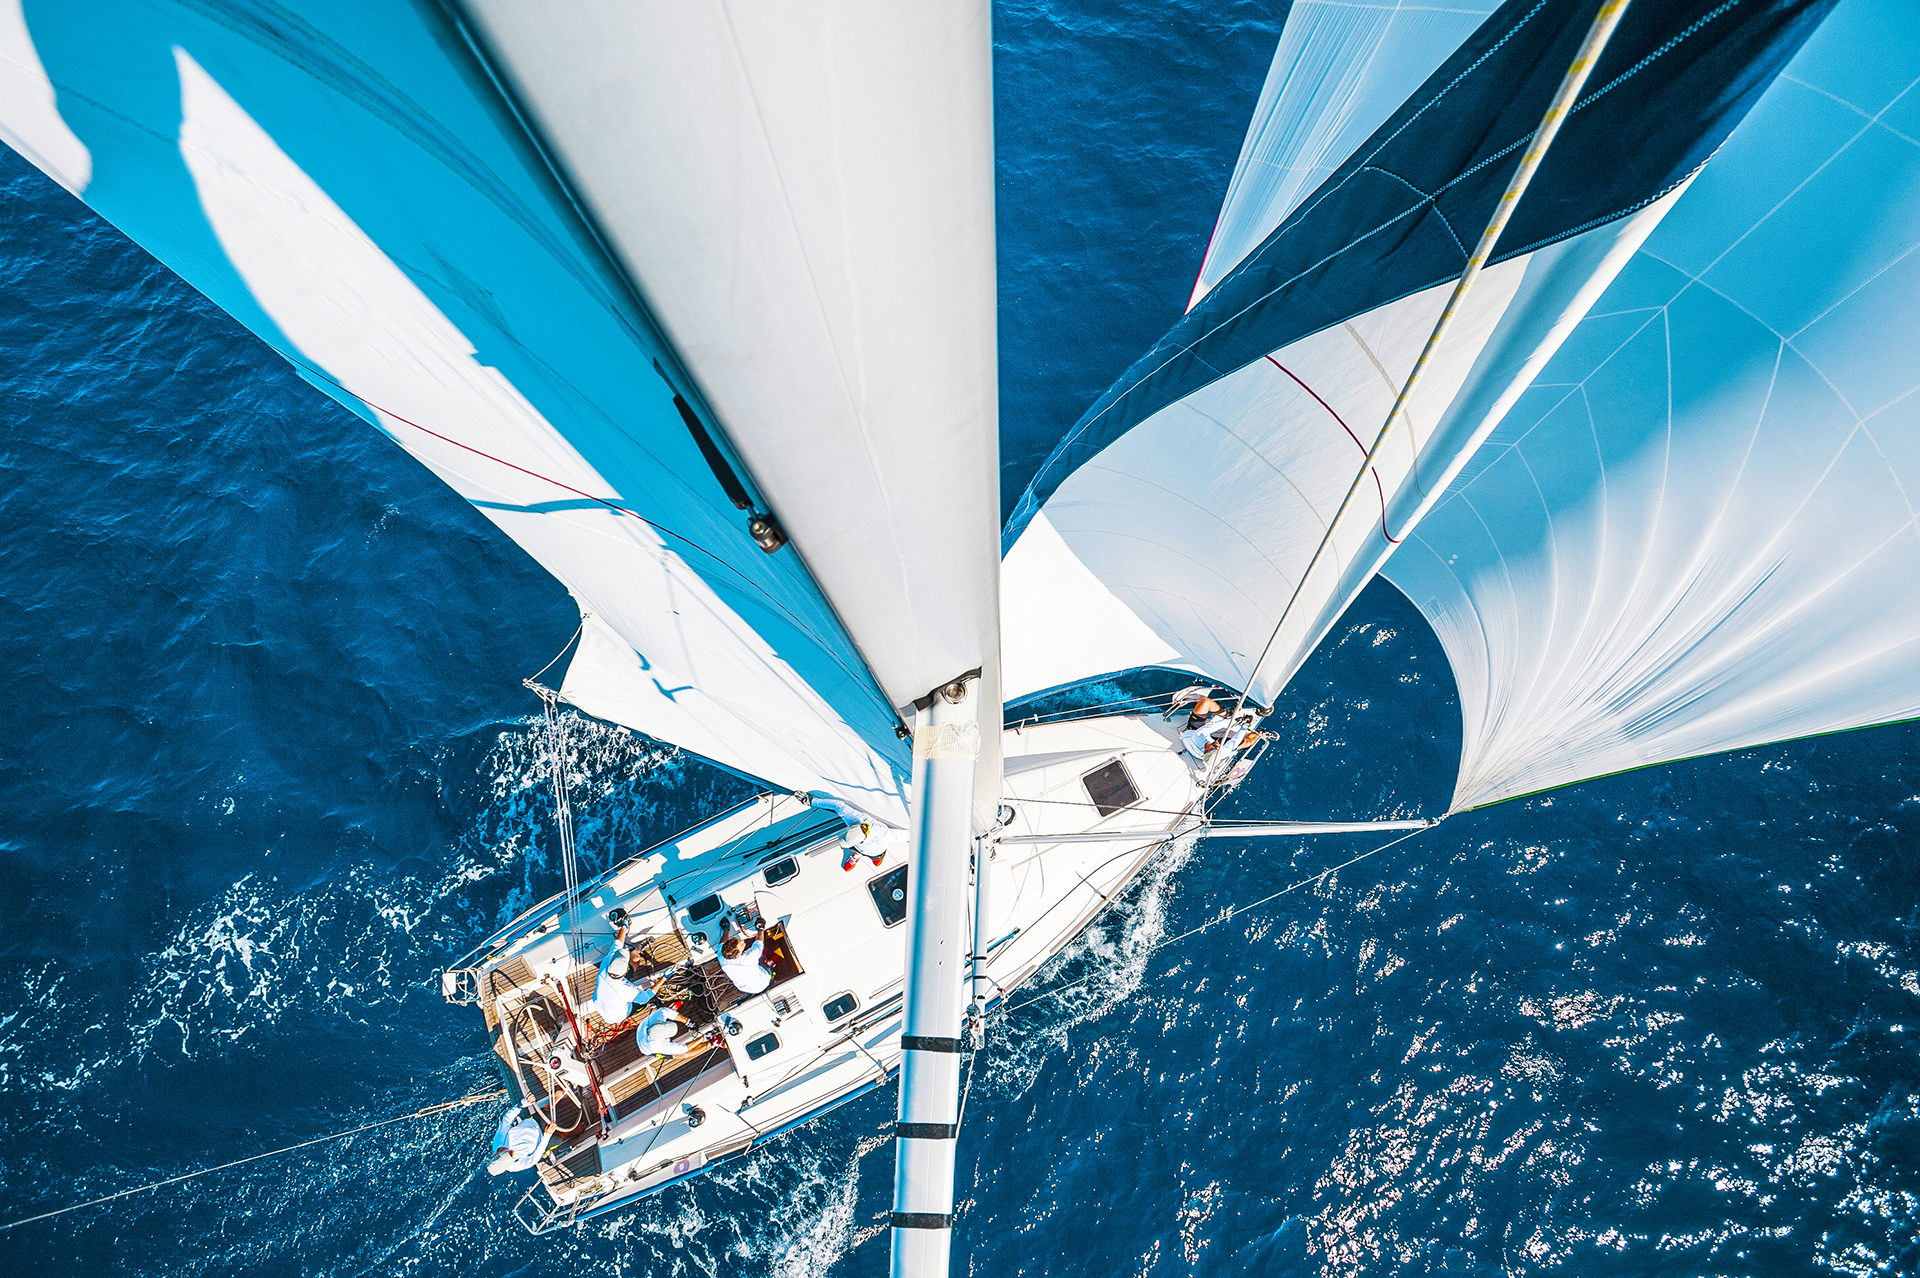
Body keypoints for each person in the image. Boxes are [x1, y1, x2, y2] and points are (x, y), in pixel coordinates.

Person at [793, 791, 903, 872]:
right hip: (876, 851)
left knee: (876, 862)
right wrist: (811, 801)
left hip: (864, 848)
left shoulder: (853, 819)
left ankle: (857, 854)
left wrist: (811, 801)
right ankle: (858, 854)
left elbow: (837, 805)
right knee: (878, 862)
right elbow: (911, 837)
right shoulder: (885, 834)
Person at [587, 942, 655, 1024]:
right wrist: (665, 977)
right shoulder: (627, 990)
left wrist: (623, 928)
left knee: (635, 958)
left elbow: (616, 945)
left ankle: (637, 950)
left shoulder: (605, 967)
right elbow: (645, 998)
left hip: (603, 1003)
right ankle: (651, 1004)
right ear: (626, 971)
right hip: (618, 1016)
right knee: (643, 1004)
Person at [486, 1101, 553, 1176]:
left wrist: (523, 1103)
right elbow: (534, 1159)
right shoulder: (516, 1166)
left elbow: (507, 1119)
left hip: (533, 1123)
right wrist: (547, 1135)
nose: (512, 1151)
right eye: (511, 1156)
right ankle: (545, 1152)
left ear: (495, 1154)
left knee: (547, 1110)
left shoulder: (498, 1140)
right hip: (543, 1139)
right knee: (561, 1138)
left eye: (508, 1153)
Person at [718, 917, 774, 995]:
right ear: (737, 954)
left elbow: (721, 944)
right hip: (763, 981)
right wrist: (760, 928)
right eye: (740, 944)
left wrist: (726, 929)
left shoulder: (722, 956)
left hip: (745, 988)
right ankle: (769, 967)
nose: (742, 941)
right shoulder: (751, 956)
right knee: (762, 958)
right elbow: (759, 942)